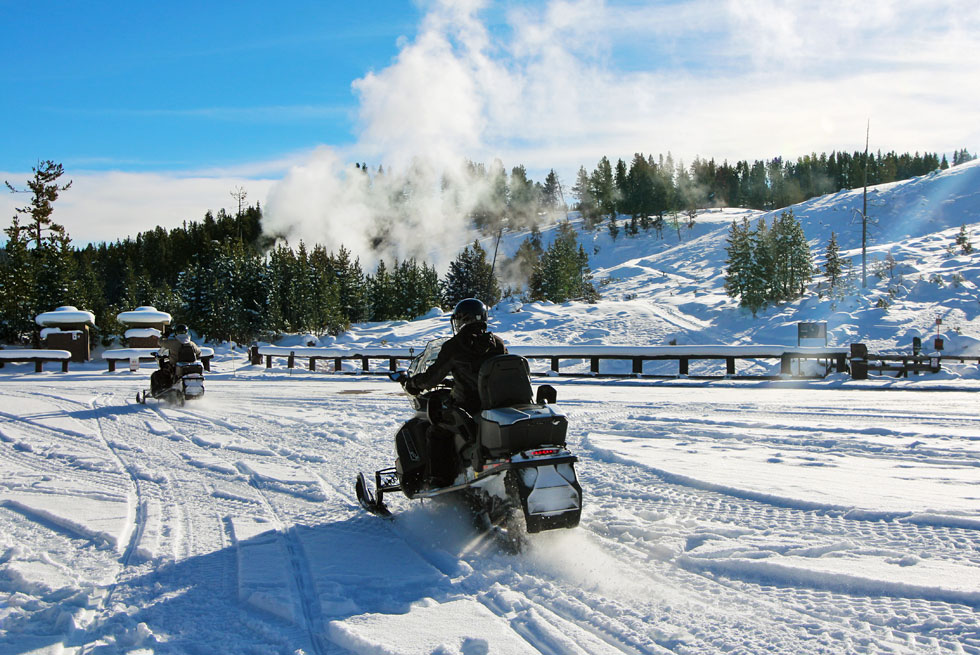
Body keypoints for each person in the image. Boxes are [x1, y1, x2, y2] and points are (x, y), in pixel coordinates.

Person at [401, 298, 506, 486]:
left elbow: (433, 377)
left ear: (460, 320)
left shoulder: (455, 345)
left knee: (437, 430)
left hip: (468, 406)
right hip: (497, 405)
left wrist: (414, 384)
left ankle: (439, 480)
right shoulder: (497, 343)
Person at [150, 324, 202, 395]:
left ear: (176, 332)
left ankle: (161, 390)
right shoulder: (191, 344)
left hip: (174, 366)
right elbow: (199, 353)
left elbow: (160, 342)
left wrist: (164, 336)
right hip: (189, 367)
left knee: (158, 373)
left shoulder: (173, 342)